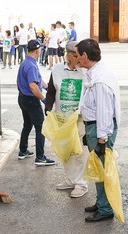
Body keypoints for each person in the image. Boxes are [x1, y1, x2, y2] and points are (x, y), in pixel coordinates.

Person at [75, 38, 120, 222]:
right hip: (94, 127)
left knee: (101, 170)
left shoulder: (100, 80)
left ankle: (105, 209)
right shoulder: (96, 72)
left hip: (100, 129)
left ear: (85, 56)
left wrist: (101, 139)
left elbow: (104, 111)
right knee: (98, 168)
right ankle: (101, 202)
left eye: (78, 56)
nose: (77, 59)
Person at [45, 41, 88, 198]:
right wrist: (48, 107)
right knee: (67, 152)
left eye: (80, 55)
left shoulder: (85, 71)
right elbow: (51, 90)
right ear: (68, 55)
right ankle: (71, 179)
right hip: (62, 119)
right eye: (76, 55)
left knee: (81, 152)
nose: (79, 59)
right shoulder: (57, 69)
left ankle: (81, 184)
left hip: (80, 119)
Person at [17, 39, 55, 166]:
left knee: (27, 124)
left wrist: (48, 88)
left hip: (22, 98)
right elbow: (33, 86)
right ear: (38, 51)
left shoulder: (26, 62)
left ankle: (23, 150)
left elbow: (38, 80)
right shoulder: (31, 65)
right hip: (31, 100)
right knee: (41, 127)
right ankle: (40, 157)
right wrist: (43, 99)